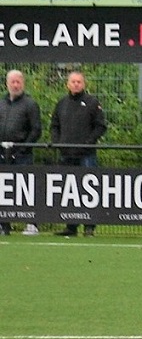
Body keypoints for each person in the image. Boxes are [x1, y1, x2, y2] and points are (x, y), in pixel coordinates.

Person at [50, 71, 106, 237]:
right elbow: (54, 125)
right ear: (67, 84)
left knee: (88, 191)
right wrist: (57, 142)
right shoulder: (62, 104)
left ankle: (89, 226)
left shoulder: (92, 102)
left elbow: (100, 126)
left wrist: (88, 142)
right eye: (73, 81)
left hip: (86, 155)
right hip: (66, 154)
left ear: (84, 84)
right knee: (68, 190)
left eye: (79, 82)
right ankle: (71, 225)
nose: (76, 84)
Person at [0, 70, 42, 236]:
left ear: (23, 83)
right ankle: (4, 224)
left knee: (26, 189)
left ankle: (31, 223)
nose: (15, 85)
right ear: (7, 83)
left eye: (18, 82)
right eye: (13, 82)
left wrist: (23, 148)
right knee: (3, 189)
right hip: (2, 153)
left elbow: (36, 129)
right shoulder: (1, 103)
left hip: (22, 155)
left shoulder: (30, 104)